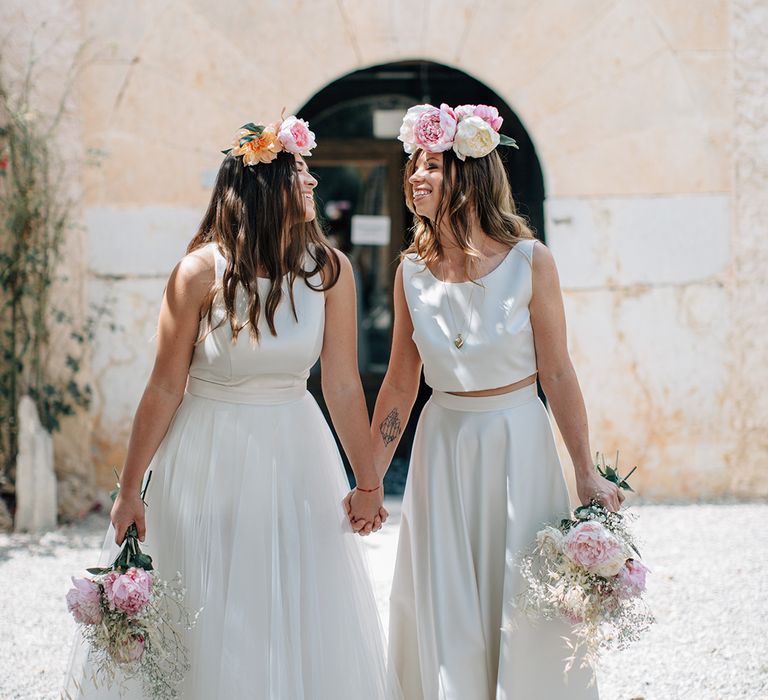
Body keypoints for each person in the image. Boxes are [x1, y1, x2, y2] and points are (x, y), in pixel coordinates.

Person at [65, 116, 395, 698]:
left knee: (295, 595)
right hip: (207, 452)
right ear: (265, 189)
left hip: (296, 452)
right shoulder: (197, 273)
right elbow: (164, 387)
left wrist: (368, 480)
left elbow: (343, 387)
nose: (314, 183)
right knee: (209, 596)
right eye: (301, 173)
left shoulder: (330, 271)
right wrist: (130, 489)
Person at [349, 103, 623, 698]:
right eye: (414, 165)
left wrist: (584, 472)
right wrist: (369, 478)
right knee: (445, 597)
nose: (417, 176)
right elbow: (399, 383)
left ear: (469, 175)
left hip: (517, 440)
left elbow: (558, 372)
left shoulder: (530, 261)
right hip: (443, 445)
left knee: (524, 595)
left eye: (433, 165)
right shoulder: (409, 273)